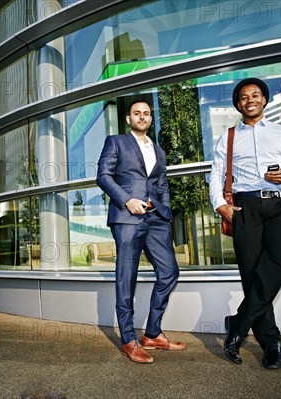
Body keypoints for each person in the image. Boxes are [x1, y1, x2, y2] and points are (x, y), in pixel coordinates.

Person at [209, 78, 281, 369]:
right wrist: (220, 205)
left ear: (264, 99)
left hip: (278, 204)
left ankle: (238, 325)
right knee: (252, 274)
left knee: (279, 266)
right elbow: (215, 173)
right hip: (245, 206)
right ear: (238, 104)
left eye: (255, 95)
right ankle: (271, 342)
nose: (249, 99)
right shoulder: (227, 137)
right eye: (243, 97)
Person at [97, 99, 186, 364]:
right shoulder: (116, 142)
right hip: (126, 217)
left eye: (147, 114)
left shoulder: (158, 150)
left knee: (170, 272)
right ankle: (128, 339)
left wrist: (165, 212)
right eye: (137, 113)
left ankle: (152, 333)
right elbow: (103, 176)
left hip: (156, 219)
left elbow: (161, 184)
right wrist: (126, 200)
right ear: (128, 118)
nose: (142, 117)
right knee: (127, 278)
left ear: (150, 119)